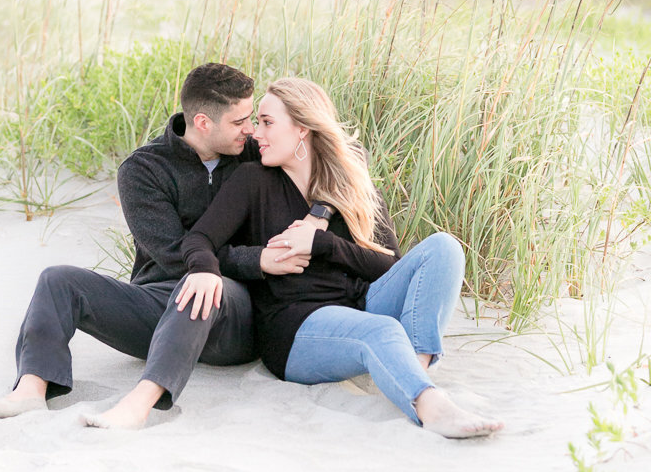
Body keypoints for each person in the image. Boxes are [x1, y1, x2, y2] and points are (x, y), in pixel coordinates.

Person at [0, 63, 328, 422]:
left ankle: (141, 405)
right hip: (155, 304)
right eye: (240, 122)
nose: (251, 130)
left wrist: (320, 213)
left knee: (202, 286)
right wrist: (258, 259)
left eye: (252, 119)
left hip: (233, 314)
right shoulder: (143, 170)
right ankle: (30, 390)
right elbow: (176, 256)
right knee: (57, 279)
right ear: (204, 123)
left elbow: (332, 160)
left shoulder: (256, 153)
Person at [176, 78, 503, 439]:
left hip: (361, 305)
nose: (256, 134)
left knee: (444, 247)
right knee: (381, 330)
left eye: (268, 123)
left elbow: (388, 267)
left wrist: (322, 243)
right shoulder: (251, 180)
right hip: (297, 328)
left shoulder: (350, 182)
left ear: (302, 128)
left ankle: (417, 370)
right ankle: (430, 405)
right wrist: (250, 262)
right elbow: (200, 241)